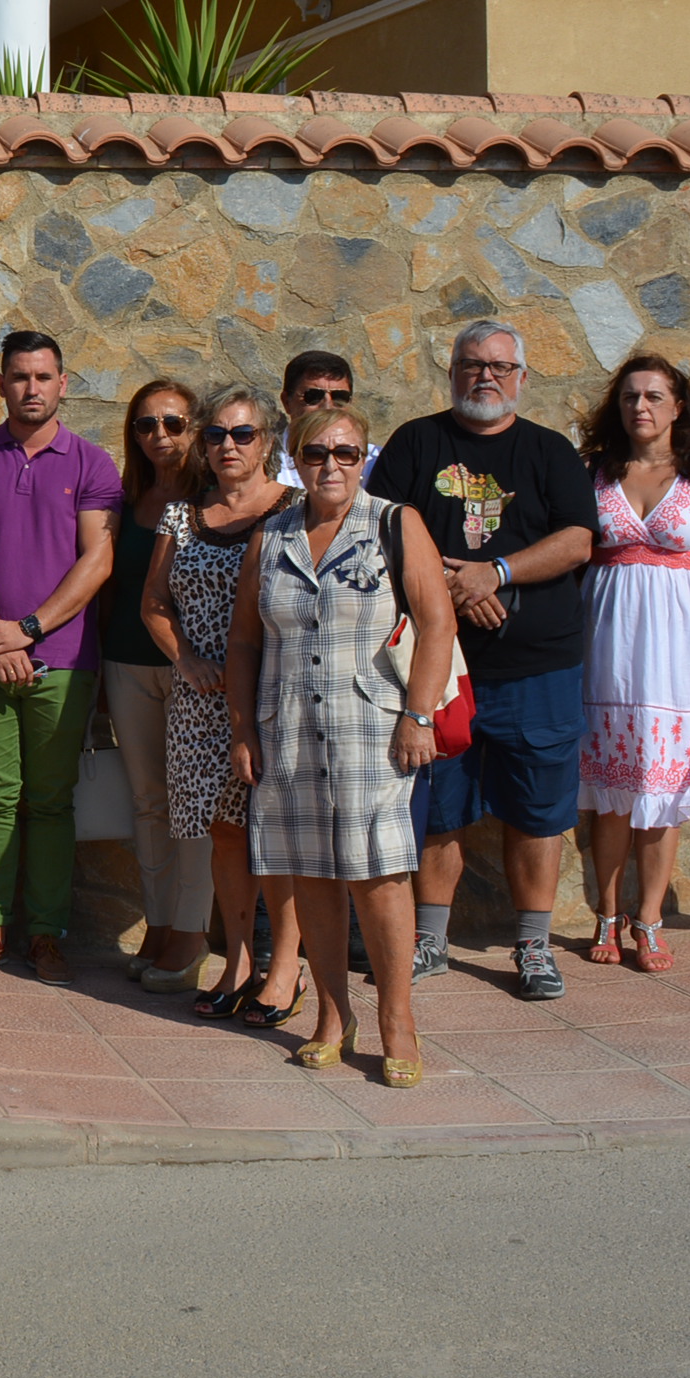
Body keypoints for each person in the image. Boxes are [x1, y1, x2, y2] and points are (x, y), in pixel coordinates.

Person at [367, 320, 599, 1000]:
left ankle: (533, 945)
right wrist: (451, 586)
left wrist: (494, 572)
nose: (485, 376)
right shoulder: (416, 443)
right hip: (439, 670)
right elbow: (380, 529)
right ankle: (430, 940)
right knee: (440, 805)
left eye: (499, 366)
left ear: (521, 377)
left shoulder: (550, 452)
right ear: (452, 373)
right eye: (472, 364)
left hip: (539, 668)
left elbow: (578, 542)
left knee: (538, 810)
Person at [229, 404, 455, 1090]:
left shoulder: (393, 523)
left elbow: (437, 622)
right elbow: (245, 640)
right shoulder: (271, 536)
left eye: (346, 453)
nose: (331, 465)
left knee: (380, 875)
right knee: (311, 876)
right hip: (288, 729)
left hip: (373, 730)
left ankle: (397, 1021)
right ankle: (333, 1015)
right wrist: (244, 728)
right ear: (295, 459)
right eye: (316, 453)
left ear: (364, 458)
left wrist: (419, 716)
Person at [0, 330, 121, 985]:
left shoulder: (92, 464)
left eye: (43, 377)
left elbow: (97, 559)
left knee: (50, 801)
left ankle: (46, 934)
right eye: (19, 377)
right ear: (1, 384)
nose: (32, 388)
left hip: (64, 660)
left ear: (63, 383)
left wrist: (29, 629)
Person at [142, 385, 308, 1024]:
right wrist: (185, 658)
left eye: (243, 434)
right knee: (226, 832)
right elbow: (154, 602)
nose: (228, 446)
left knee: (279, 832)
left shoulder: (296, 510)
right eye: (215, 435)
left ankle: (286, 967)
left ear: (267, 442)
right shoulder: (182, 516)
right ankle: (237, 962)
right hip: (202, 703)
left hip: (277, 695)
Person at [575, 356, 690, 973]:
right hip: (609, 649)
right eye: (629, 397)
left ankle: (648, 919)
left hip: (681, 654)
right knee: (612, 794)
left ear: (678, 407)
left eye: (653, 396)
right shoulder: (595, 474)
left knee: (663, 792)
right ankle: (606, 914)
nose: (640, 406)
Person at [103, 378, 211, 991]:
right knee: (148, 801)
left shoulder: (209, 500)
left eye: (173, 423)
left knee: (193, 803)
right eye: (146, 425)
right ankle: (161, 922)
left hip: (192, 669)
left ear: (195, 428)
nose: (159, 435)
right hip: (125, 662)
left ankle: (192, 932)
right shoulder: (127, 500)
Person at [274, 350, 371, 485]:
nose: (327, 406)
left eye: (339, 397)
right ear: (286, 402)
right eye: (313, 396)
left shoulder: (374, 464)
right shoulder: (261, 462)